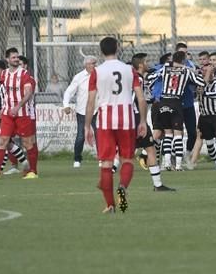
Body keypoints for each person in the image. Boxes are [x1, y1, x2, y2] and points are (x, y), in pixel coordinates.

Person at [85, 37, 148, 214]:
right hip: (127, 118)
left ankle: (110, 205)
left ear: (101, 51)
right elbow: (141, 99)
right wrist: (142, 121)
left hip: (105, 120)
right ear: (118, 48)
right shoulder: (129, 69)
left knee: (106, 163)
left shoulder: (96, 72)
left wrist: (87, 126)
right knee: (127, 159)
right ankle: (123, 186)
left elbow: (91, 102)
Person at [0, 47, 39, 180]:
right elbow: (4, 95)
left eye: (17, 57)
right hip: (8, 114)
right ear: (8, 59)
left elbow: (28, 93)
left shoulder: (25, 74)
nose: (16, 59)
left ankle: (32, 171)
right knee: (3, 141)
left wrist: (17, 106)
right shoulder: (4, 74)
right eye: (14, 57)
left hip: (22, 113)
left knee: (28, 143)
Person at [156, 50, 206, 171]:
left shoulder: (165, 69)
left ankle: (166, 163)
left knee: (167, 134)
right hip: (176, 102)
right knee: (178, 134)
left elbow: (152, 77)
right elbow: (201, 82)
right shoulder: (186, 70)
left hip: (164, 101)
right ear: (183, 60)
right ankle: (178, 165)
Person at [131, 52, 174, 191]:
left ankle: (158, 185)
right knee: (149, 149)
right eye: (146, 61)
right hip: (137, 119)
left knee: (146, 148)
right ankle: (158, 185)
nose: (148, 63)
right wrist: (141, 119)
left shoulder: (134, 77)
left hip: (131, 118)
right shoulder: (138, 79)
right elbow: (135, 99)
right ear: (141, 64)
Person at [63, 55, 96, 168]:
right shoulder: (79, 77)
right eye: (92, 63)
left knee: (100, 134)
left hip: (97, 110)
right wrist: (66, 105)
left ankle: (102, 158)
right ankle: (77, 159)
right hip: (82, 111)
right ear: (86, 65)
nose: (94, 65)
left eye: (95, 63)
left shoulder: (100, 75)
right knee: (81, 136)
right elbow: (68, 92)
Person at [175, 43, 199, 157]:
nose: (184, 55)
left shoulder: (190, 65)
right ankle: (172, 156)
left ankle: (188, 155)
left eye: (186, 52)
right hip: (176, 103)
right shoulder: (170, 65)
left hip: (188, 103)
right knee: (175, 133)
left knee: (192, 132)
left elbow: (195, 81)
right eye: (182, 52)